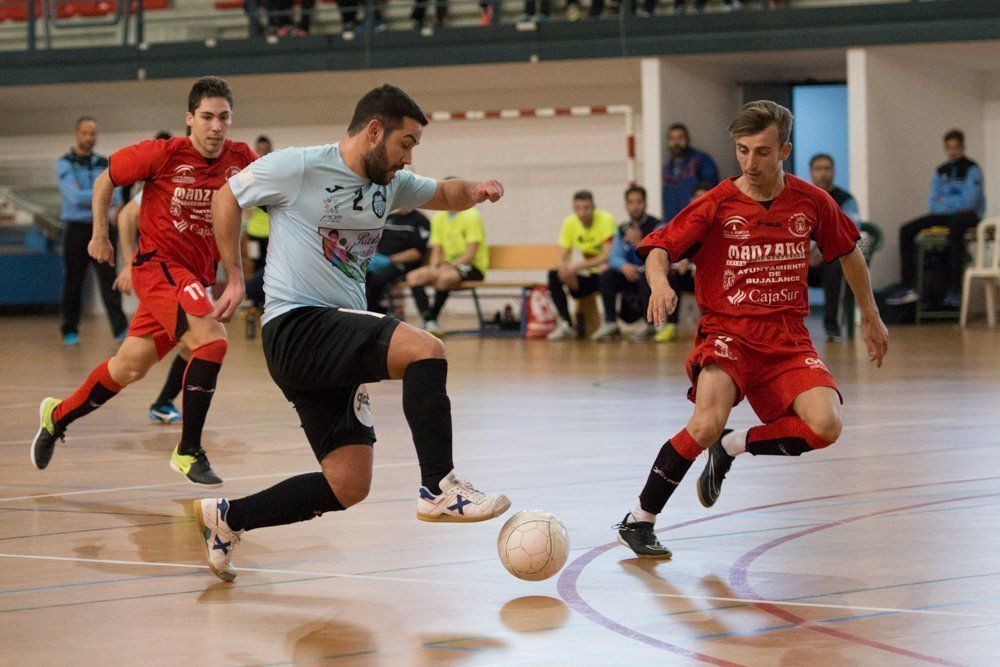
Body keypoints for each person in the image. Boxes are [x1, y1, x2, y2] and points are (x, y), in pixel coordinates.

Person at [196, 84, 511, 582]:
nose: (408, 157)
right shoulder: (299, 166)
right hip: (299, 324)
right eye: (405, 143)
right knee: (426, 349)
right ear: (373, 130)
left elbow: (445, 192)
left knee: (347, 484)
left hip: (329, 344)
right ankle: (439, 488)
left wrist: (475, 191)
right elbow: (226, 196)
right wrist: (234, 276)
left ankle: (230, 518)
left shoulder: (392, 182)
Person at [614, 100, 888, 559]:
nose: (749, 162)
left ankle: (734, 446)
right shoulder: (716, 203)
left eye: (761, 152)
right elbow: (660, 247)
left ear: (784, 150)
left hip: (787, 337)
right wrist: (659, 285)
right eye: (742, 150)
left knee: (825, 427)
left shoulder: (811, 200)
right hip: (729, 334)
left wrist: (871, 316)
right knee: (705, 422)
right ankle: (640, 520)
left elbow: (849, 251)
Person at [30, 77, 257, 487]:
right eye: (206, 117)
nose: (215, 127)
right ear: (190, 119)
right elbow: (104, 182)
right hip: (158, 268)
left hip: (192, 280)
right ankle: (188, 451)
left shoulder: (241, 159)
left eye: (224, 118)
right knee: (213, 340)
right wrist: (101, 234)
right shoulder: (163, 154)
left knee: (127, 368)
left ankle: (56, 416)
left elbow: (278, 191)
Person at [113, 188, 189, 425]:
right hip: (164, 277)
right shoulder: (163, 184)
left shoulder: (213, 178)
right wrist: (128, 264)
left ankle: (163, 403)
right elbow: (126, 216)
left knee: (195, 346)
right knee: (201, 341)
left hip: (192, 274)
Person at [886, 129, 985, 308]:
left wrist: (945, 203)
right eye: (949, 148)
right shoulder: (941, 171)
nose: (952, 151)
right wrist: (950, 204)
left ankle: (955, 289)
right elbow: (932, 204)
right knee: (907, 229)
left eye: (956, 147)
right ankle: (909, 285)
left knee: (956, 228)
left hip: (968, 218)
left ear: (963, 147)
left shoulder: (972, 169)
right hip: (943, 216)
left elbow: (969, 202)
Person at [56, 116, 128, 345]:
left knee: (109, 280)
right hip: (76, 230)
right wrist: (99, 193)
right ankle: (70, 329)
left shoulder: (103, 163)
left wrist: (91, 193)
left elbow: (115, 195)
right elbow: (73, 198)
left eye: (93, 133)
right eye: (85, 133)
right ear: (77, 134)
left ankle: (120, 329)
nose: (89, 137)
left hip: (103, 229)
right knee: (73, 281)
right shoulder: (65, 163)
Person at [406, 201, 489, 335]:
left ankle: (431, 321)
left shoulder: (471, 215)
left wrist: (447, 267)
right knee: (413, 276)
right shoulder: (439, 217)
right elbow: (436, 249)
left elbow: (470, 254)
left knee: (444, 278)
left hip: (472, 267)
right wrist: (433, 267)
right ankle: (429, 320)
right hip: (447, 265)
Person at [593, 185, 663, 342]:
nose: (635, 206)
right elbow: (614, 257)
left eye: (639, 202)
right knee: (607, 275)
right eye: (631, 202)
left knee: (647, 274)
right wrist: (623, 266)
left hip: (650, 276)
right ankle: (610, 323)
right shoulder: (622, 229)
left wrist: (639, 243)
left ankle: (648, 325)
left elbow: (659, 256)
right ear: (626, 206)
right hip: (630, 275)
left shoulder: (657, 226)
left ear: (645, 204)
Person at [547, 191, 617, 341]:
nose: (582, 212)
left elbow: (606, 255)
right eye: (578, 208)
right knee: (554, 275)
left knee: (607, 275)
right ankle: (566, 324)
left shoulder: (605, 219)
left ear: (594, 207)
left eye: (586, 208)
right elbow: (562, 255)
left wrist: (579, 265)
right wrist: (563, 268)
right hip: (585, 278)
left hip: (605, 276)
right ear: (573, 208)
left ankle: (610, 324)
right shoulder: (570, 223)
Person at [807, 153, 861, 342]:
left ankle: (833, 328)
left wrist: (822, 252)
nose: (823, 173)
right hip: (801, 261)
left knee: (837, 263)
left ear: (834, 171)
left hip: (830, 262)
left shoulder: (845, 200)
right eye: (818, 169)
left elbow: (849, 233)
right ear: (811, 173)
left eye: (827, 168)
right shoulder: (803, 198)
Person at [366, 207, 430, 313]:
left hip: (402, 264)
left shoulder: (420, 220)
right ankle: (370, 310)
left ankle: (371, 312)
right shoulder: (389, 218)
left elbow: (417, 253)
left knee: (376, 278)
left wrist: (390, 260)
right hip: (378, 260)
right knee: (358, 275)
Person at [662, 123, 719, 222]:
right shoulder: (667, 168)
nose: (676, 143)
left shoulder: (701, 160)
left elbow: (710, 190)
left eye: (680, 138)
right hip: (673, 224)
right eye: (672, 138)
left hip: (697, 222)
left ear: (688, 139)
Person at [244, 135, 274, 313]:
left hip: (271, 233)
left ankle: (269, 302)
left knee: (269, 267)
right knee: (255, 265)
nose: (262, 154)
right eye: (259, 151)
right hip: (254, 233)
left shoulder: (273, 174)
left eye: (265, 151)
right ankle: (255, 304)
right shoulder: (250, 174)